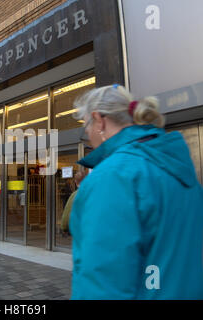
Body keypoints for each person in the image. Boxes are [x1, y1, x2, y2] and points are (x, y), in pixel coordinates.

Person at [70, 84, 203, 299]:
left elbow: (104, 280)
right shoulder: (178, 168)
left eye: (86, 124)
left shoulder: (113, 175)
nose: (87, 132)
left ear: (100, 119)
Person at [60, 171, 86, 235]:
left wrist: (64, 228)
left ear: (75, 182)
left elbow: (66, 217)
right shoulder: (96, 193)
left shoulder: (74, 195)